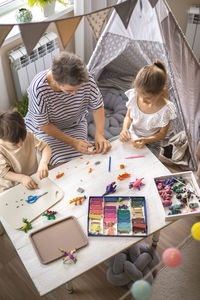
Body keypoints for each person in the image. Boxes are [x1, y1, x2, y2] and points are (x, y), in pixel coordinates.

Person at [25, 51, 111, 166]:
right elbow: (43, 125)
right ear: (56, 81)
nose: (76, 94)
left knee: (83, 159)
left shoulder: (86, 79)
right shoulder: (38, 89)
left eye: (79, 88)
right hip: (46, 130)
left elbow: (97, 106)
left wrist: (99, 134)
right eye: (70, 91)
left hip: (75, 124)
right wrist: (73, 142)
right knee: (58, 162)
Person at [119, 60, 177, 154]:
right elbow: (128, 117)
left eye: (148, 98)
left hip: (153, 142)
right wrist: (124, 129)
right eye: (140, 95)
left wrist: (146, 140)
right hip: (133, 134)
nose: (142, 100)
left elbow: (162, 134)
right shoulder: (134, 96)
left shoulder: (166, 110)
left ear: (161, 91)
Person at [0, 112, 52, 192]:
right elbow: (4, 172)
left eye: (23, 140)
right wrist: (22, 178)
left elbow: (45, 147)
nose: (21, 145)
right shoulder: (1, 149)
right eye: (15, 145)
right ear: (1, 140)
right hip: (10, 187)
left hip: (31, 178)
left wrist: (43, 162)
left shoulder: (28, 135)